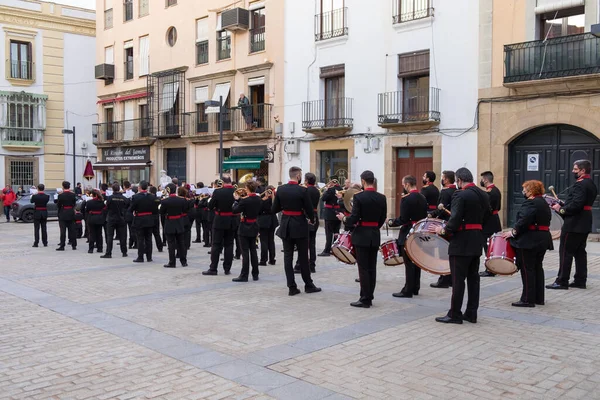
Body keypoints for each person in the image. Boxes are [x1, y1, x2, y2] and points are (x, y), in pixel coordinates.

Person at [431, 167, 490, 324]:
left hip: (461, 242)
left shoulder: (460, 194)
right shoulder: (483, 194)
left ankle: (455, 314)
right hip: (476, 240)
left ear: (459, 180)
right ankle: (471, 313)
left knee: (458, 280)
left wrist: (442, 230)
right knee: (473, 279)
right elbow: (487, 215)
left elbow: (455, 220)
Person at [336, 171, 387, 308]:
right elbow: (382, 218)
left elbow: (353, 219)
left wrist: (343, 218)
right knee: (372, 268)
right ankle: (369, 295)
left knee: (363, 268)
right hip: (374, 234)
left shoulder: (359, 197)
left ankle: (365, 299)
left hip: (361, 235)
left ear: (363, 181)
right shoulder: (382, 197)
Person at [547, 160, 598, 290]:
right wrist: (562, 204)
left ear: (582, 170)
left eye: (575, 169)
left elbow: (577, 205)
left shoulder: (580, 185)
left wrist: (561, 209)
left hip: (574, 223)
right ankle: (580, 280)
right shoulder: (591, 183)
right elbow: (580, 203)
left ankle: (561, 281)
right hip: (585, 222)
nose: (573, 171)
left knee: (565, 252)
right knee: (580, 252)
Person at [502, 180, 553, 307]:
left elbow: (524, 221)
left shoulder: (531, 203)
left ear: (530, 191)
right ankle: (538, 298)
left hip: (530, 241)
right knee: (537, 267)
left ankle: (527, 299)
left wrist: (513, 233)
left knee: (527, 269)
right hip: (542, 239)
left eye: (525, 189)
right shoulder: (543, 202)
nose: (523, 191)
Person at [272, 166, 321, 296]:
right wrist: (311, 219)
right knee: (303, 256)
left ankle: (291, 287)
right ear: (298, 176)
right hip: (299, 224)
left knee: (288, 257)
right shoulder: (302, 191)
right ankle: (308, 285)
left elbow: (275, 209)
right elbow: (309, 209)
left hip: (286, 225)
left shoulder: (281, 190)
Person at [389, 176, 428, 298]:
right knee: (417, 261)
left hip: (408, 232)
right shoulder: (422, 197)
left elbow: (403, 219)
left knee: (409, 262)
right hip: (419, 231)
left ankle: (408, 289)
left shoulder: (406, 199)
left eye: (403, 184)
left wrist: (391, 222)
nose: (403, 187)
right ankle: (416, 287)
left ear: (407, 184)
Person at [203, 177, 237, 275]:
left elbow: (210, 206)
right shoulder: (236, 191)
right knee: (229, 245)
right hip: (232, 220)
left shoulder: (218, 192)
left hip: (220, 220)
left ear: (222, 182)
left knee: (216, 244)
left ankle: (213, 268)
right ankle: (227, 269)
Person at [430, 170, 457, 289]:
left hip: (443, 225)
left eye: (442, 177)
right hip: (452, 225)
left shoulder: (445, 192)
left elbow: (441, 209)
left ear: (446, 180)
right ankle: (451, 278)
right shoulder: (456, 191)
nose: (441, 179)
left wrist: (431, 215)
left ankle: (444, 279)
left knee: (443, 253)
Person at [232, 181, 262, 282]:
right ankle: (255, 274)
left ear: (247, 188)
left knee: (245, 252)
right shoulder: (258, 199)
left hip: (245, 226)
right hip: (254, 225)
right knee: (253, 250)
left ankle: (244, 275)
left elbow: (235, 210)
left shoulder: (244, 201)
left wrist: (236, 200)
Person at [480, 171, 502, 277]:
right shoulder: (496, 190)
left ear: (486, 180)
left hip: (488, 222)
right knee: (492, 246)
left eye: (482, 179)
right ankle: (492, 268)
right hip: (495, 220)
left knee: (488, 247)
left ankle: (490, 269)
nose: (481, 181)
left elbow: (486, 210)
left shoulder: (489, 193)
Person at [161, 183, 187, 268]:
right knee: (181, 243)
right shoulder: (182, 200)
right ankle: (184, 262)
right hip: (179, 222)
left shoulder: (165, 201)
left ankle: (172, 262)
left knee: (171, 244)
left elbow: (161, 212)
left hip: (170, 223)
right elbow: (184, 210)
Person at [130, 180, 155, 263]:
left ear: (139, 187)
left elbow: (131, 208)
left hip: (140, 219)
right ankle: (149, 257)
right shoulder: (152, 196)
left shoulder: (136, 197)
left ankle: (140, 257)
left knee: (140, 239)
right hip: (149, 219)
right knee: (149, 239)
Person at [102, 183, 129, 259]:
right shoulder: (124, 198)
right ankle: (124, 252)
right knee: (122, 237)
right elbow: (127, 205)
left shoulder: (110, 198)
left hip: (111, 219)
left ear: (113, 189)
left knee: (109, 236)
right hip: (121, 219)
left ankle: (108, 253)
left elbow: (106, 207)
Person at [319, 177, 342, 257]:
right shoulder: (340, 188)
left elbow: (323, 198)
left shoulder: (330, 189)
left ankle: (327, 250)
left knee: (328, 233)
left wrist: (327, 190)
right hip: (338, 213)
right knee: (336, 232)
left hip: (329, 214)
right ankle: (334, 249)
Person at [258, 185, 278, 266]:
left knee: (263, 241)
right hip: (272, 221)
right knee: (271, 241)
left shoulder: (262, 200)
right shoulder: (275, 200)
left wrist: (262, 200)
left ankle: (263, 260)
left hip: (263, 221)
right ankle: (272, 259)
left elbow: (258, 210)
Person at [55, 181, 77, 251]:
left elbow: (58, 205)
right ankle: (74, 245)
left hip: (63, 213)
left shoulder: (60, 195)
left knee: (63, 230)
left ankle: (62, 245)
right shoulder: (73, 195)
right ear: (69, 187)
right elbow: (74, 204)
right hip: (71, 212)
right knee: (72, 230)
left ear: (63, 186)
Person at [85, 190, 106, 254]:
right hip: (99, 218)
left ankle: (91, 249)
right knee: (99, 234)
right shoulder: (102, 202)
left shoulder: (89, 202)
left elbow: (87, 210)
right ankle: (100, 248)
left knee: (91, 234)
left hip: (92, 218)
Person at [148, 186, 164, 253]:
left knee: (149, 234)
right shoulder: (158, 199)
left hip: (150, 216)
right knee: (157, 233)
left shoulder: (149, 198)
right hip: (156, 216)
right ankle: (160, 247)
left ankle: (148, 248)